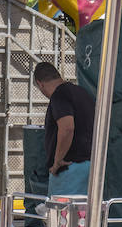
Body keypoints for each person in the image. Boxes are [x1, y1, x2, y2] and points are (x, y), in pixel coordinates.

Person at [33, 62, 96, 196]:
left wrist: (57, 161)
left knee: (62, 214)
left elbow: (67, 128)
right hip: (89, 167)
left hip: (68, 169)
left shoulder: (59, 95)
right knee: (84, 214)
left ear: (40, 84)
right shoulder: (82, 93)